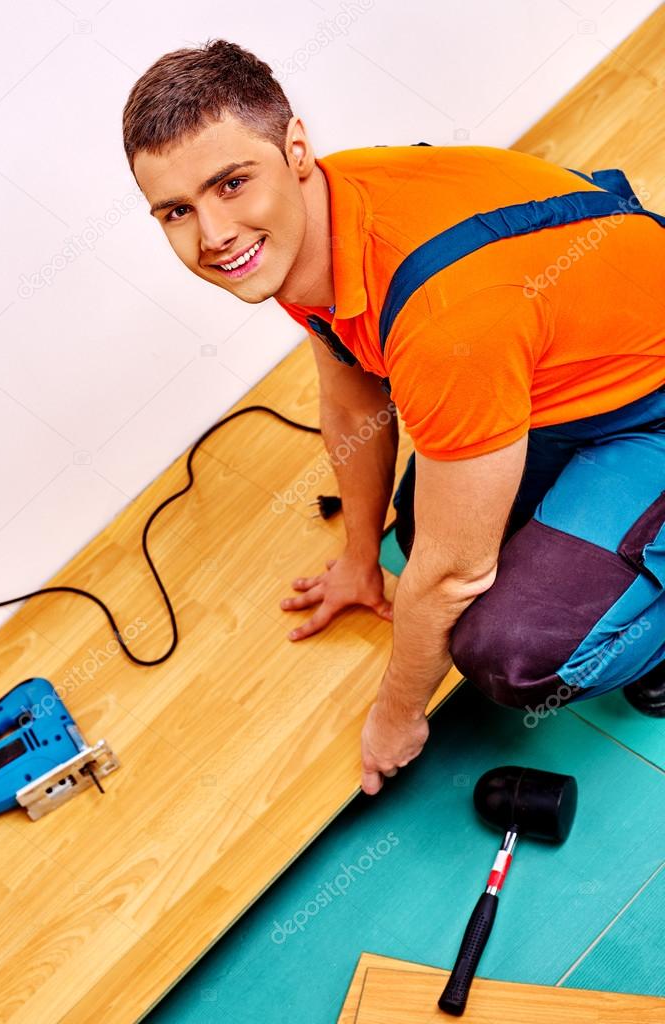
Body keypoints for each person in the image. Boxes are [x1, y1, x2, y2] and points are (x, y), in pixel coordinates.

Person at [122, 39, 665, 796]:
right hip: (572, 371)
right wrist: (356, 556)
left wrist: (397, 715)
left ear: (297, 150)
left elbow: (452, 577)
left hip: (650, 403)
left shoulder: (448, 318)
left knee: (508, 649)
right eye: (177, 211)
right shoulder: (310, 223)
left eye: (231, 184)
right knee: (415, 535)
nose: (212, 235)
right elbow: (351, 391)